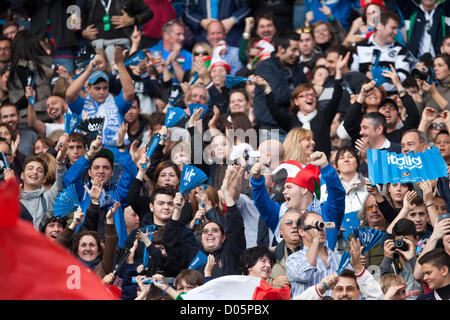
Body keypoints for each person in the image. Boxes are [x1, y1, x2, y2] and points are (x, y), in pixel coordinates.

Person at [162, 165, 246, 278]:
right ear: (200, 239)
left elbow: (235, 227)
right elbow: (171, 241)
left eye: (215, 230)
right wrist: (177, 210)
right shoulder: (194, 256)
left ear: (223, 237)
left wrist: (226, 192)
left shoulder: (231, 253)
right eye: (205, 231)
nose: (209, 233)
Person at [251, 151, 345, 249]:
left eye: (289, 187)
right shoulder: (279, 213)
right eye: (288, 223)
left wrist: (325, 167)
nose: (284, 192)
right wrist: (257, 180)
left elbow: (337, 193)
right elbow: (261, 202)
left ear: (304, 189)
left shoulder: (328, 213)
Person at [265, 52, 347, 157]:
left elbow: (336, 97)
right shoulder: (291, 121)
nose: (310, 97)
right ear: (296, 101)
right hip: (298, 167)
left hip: (320, 167)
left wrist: (338, 72)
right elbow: (274, 111)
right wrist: (267, 89)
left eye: (313, 95)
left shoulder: (324, 116)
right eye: (305, 95)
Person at [62, 134, 137, 247]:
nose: (101, 171)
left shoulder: (118, 192)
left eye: (106, 168)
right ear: (89, 172)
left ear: (112, 173)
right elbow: (68, 180)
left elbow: (131, 175)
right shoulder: (82, 191)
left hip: (113, 254)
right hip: (84, 251)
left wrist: (121, 148)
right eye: (96, 167)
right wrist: (89, 154)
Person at [65, 46, 135, 161]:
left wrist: (120, 64)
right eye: (97, 88)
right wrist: (89, 70)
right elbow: (69, 95)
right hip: (88, 157)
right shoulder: (81, 104)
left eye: (105, 88)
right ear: (88, 88)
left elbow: (130, 93)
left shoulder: (116, 103)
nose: (102, 92)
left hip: (115, 157)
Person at [253, 30, 307, 141]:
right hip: (271, 131)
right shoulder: (265, 67)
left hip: (293, 129)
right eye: (293, 50)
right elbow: (279, 95)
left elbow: (304, 92)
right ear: (281, 49)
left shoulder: (297, 68)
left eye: (298, 50)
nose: (297, 54)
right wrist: (300, 95)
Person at [286, 211, 343, 297]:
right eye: (316, 225)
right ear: (301, 232)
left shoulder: (340, 258)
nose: (321, 229)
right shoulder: (293, 259)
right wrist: (315, 239)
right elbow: (305, 275)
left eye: (322, 225)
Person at [350, 10, 410, 93]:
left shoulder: (400, 49)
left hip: (391, 98)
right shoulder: (359, 46)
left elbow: (403, 75)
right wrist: (365, 77)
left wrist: (385, 78)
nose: (396, 32)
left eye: (397, 28)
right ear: (380, 26)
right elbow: (353, 73)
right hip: (365, 96)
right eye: (393, 28)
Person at [80, 0, 154, 67]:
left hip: (120, 44)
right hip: (95, 46)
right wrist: (83, 32)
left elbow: (148, 13)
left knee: (116, 75)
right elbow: (81, 22)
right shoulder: (89, 1)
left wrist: (132, 20)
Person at [19, 134, 67, 229]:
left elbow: (60, 181)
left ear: (44, 178)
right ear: (22, 175)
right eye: (30, 168)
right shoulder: (15, 199)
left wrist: (60, 161)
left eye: (39, 170)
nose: (34, 172)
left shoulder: (49, 197)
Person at [380, 218, 424, 299]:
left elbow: (427, 285)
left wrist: (412, 259)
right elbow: (383, 289)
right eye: (399, 242)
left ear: (417, 240)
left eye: (406, 241)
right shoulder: (390, 265)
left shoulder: (424, 263)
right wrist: (387, 259)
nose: (403, 245)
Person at [182, 0, 250, 48]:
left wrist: (233, 20)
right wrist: (201, 22)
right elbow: (186, 12)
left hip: (231, 34)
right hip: (204, 34)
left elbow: (247, 8)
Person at [267, 209, 303, 290]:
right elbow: (250, 278)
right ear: (281, 230)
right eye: (289, 223)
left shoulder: (318, 253)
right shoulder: (267, 254)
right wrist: (272, 283)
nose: (294, 226)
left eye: (298, 223)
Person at [147, 20, 192, 84]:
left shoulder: (188, 56)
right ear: (166, 35)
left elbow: (186, 82)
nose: (182, 38)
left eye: (183, 34)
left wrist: (174, 61)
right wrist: (169, 60)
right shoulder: (150, 52)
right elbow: (149, 78)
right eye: (178, 34)